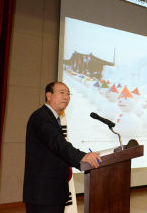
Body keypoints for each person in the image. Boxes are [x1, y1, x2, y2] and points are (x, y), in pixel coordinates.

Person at [23, 81, 101, 213]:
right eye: (62, 93)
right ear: (49, 95)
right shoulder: (41, 117)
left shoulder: (52, 118)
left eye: (69, 94)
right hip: (43, 194)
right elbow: (58, 143)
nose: (66, 97)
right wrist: (82, 156)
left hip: (53, 192)